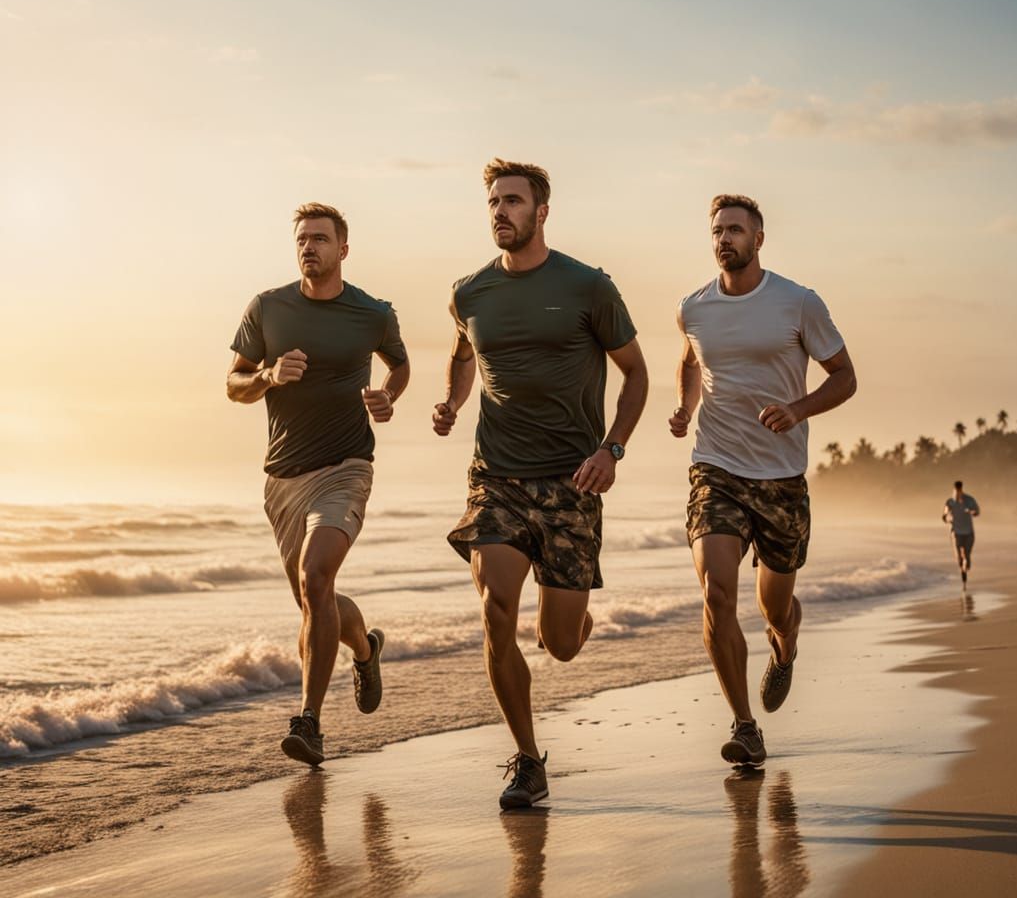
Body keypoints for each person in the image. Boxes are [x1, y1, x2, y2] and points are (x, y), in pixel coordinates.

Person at [433, 158, 648, 809]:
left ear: (542, 211)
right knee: (497, 611)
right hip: (495, 478)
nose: (501, 211)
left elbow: (636, 374)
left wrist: (612, 449)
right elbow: (462, 352)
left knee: (560, 644)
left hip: (572, 483)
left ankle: (575, 620)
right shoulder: (469, 293)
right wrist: (450, 401)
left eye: (514, 201)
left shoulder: (589, 287)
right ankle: (528, 761)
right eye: (494, 201)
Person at [669, 194, 856, 766]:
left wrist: (797, 410)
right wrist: (683, 407)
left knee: (776, 607)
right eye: (718, 231)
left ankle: (785, 645)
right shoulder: (693, 308)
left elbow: (845, 377)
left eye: (736, 230)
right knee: (716, 593)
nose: (725, 239)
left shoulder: (798, 302)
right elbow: (691, 360)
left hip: (781, 478)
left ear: (759, 238)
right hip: (715, 468)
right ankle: (745, 725)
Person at [227, 202, 409, 765]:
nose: (310, 247)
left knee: (315, 575)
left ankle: (309, 723)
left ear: (343, 249)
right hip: (283, 477)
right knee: (316, 598)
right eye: (303, 239)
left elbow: (398, 365)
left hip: (346, 466)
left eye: (321, 239)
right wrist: (266, 375)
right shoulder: (268, 307)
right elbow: (233, 384)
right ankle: (365, 647)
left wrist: (388, 395)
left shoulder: (372, 313)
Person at [943, 480, 980, 587]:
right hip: (956, 532)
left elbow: (977, 511)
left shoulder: (969, 500)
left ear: (961, 488)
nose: (958, 490)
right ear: (954, 488)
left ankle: (965, 568)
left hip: (968, 532)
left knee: (967, 556)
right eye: (956, 488)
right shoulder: (950, 502)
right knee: (959, 557)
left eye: (959, 488)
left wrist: (971, 511)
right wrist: (947, 518)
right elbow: (944, 515)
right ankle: (962, 571)